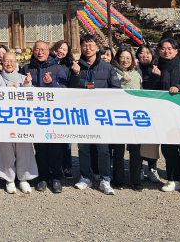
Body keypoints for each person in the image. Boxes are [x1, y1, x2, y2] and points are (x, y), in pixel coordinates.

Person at [143, 38, 180, 198]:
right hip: (163, 115)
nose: (166, 51)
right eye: (163, 48)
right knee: (169, 149)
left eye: (170, 48)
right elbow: (146, 90)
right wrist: (154, 78)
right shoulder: (154, 68)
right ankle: (173, 179)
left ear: (176, 51)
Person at [69, 35, 122, 195]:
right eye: (84, 45)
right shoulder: (76, 66)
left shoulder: (107, 68)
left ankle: (105, 179)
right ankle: (85, 176)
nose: (87, 48)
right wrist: (76, 74)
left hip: (101, 114)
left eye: (91, 45)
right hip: (82, 114)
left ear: (97, 47)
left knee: (103, 148)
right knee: (83, 147)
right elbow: (69, 90)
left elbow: (116, 89)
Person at [20, 41, 68, 193]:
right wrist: (25, 83)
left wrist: (52, 83)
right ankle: (42, 177)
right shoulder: (27, 68)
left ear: (49, 51)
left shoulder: (57, 68)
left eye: (43, 50)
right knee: (39, 148)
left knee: (55, 148)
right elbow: (19, 90)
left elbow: (65, 90)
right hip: (34, 115)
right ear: (33, 52)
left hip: (53, 115)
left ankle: (56, 178)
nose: (40, 52)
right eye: (37, 50)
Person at [0, 52, 38, 193]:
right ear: (2, 62)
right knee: (5, 150)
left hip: (21, 120)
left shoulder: (24, 78)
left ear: (16, 62)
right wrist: (7, 92)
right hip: (4, 120)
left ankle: (24, 178)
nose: (9, 63)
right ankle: (9, 179)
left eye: (12, 61)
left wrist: (26, 86)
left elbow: (32, 98)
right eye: (6, 61)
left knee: (24, 149)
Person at [111, 46, 143, 191]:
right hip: (118, 116)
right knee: (118, 151)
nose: (125, 61)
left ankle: (136, 180)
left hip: (135, 117)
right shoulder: (113, 73)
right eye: (122, 58)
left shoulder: (137, 74)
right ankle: (118, 179)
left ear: (132, 61)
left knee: (136, 151)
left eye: (128, 58)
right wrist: (123, 82)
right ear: (117, 59)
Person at [134, 44, 161, 183]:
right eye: (142, 53)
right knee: (138, 140)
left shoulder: (157, 68)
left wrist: (156, 77)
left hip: (153, 110)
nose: (145, 55)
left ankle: (152, 168)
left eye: (148, 53)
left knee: (152, 141)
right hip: (136, 109)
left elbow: (151, 89)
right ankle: (138, 169)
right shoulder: (134, 69)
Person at [50, 40, 75, 179]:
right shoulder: (48, 63)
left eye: (64, 49)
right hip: (49, 105)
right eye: (59, 47)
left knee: (65, 139)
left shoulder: (70, 66)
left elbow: (72, 84)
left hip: (64, 105)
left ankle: (67, 167)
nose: (61, 51)